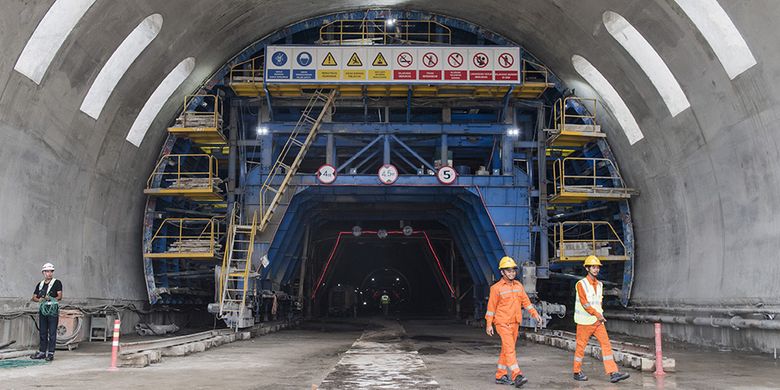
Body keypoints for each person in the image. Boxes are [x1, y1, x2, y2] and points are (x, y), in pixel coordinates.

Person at [485, 256, 542, 387]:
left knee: (507, 349)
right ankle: (517, 375)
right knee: (510, 349)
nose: (511, 273)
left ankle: (500, 375)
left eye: (513, 271)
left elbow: (526, 303)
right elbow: (491, 308)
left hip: (515, 322)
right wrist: (489, 324)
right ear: (502, 272)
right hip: (502, 323)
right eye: (508, 271)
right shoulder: (496, 288)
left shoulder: (518, 286)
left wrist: (535, 314)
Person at [572, 255, 630, 383]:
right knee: (581, 347)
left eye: (597, 267)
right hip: (584, 322)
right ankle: (576, 372)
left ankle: (613, 372)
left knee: (606, 345)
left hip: (598, 322)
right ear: (587, 268)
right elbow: (585, 303)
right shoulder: (581, 284)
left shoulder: (599, 285)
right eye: (593, 267)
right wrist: (597, 314)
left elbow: (598, 302)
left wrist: (600, 315)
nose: (596, 269)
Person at [30, 262, 62, 362]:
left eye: (51, 271)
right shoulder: (40, 284)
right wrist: (39, 300)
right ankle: (42, 352)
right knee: (43, 331)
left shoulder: (57, 283)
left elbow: (59, 296)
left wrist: (50, 298)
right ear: (43, 272)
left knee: (52, 332)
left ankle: (51, 353)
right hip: (43, 310)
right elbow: (34, 297)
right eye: (47, 271)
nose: (49, 273)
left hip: (52, 310)